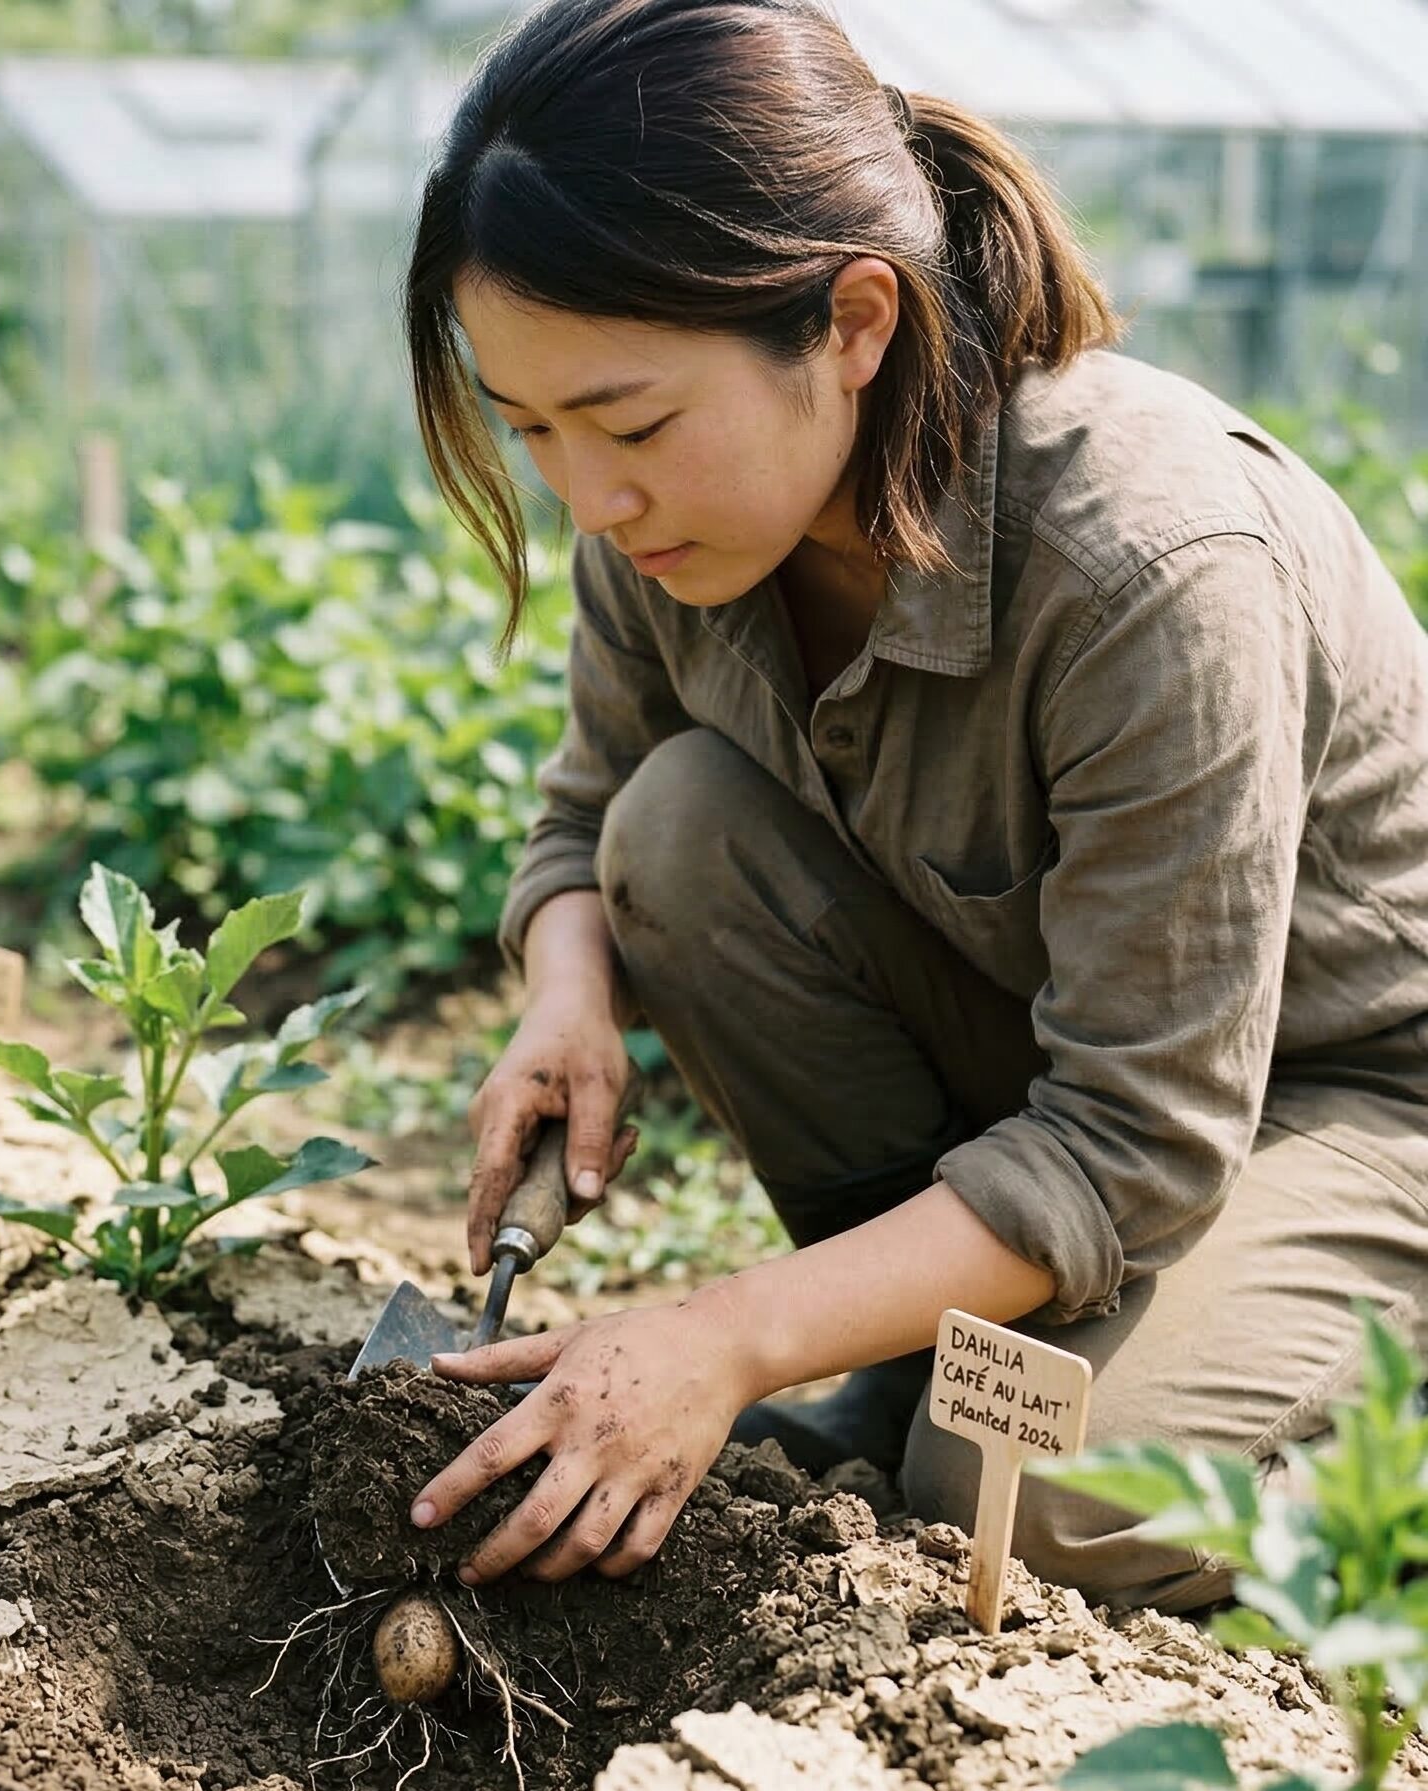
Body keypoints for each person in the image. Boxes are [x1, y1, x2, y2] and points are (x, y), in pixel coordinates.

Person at [397, 0, 1428, 1613]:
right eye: (532, 431)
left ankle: (1344, 1383)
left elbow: (1136, 1137)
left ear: (855, 322)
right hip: (1063, 1061)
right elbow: (595, 805)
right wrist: (568, 999)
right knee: (673, 831)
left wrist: (727, 1328)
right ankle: (918, 1357)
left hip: (1341, 1103)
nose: (590, 499)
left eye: (633, 420)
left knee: (1052, 1511)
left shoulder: (1149, 568)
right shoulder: (677, 536)